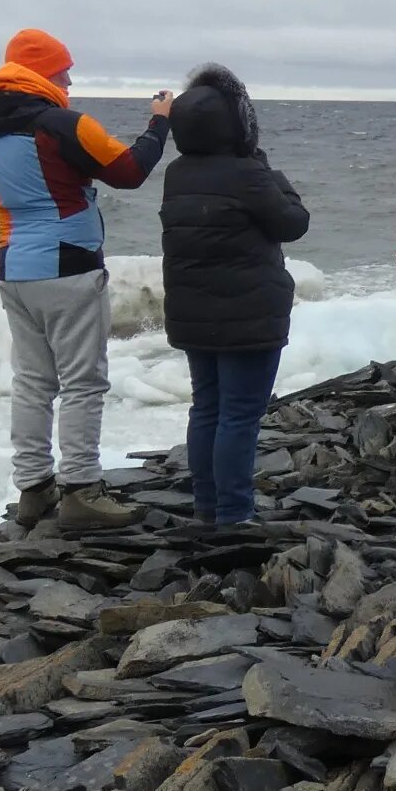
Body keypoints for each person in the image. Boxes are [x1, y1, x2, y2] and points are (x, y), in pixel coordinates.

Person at [0, 28, 172, 531]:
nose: (70, 79)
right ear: (44, 73)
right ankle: (82, 490)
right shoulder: (65, 125)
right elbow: (129, 170)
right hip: (71, 267)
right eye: (64, 70)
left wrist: (6, 255)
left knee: (32, 381)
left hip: (17, 270)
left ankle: (34, 489)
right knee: (83, 381)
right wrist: (159, 123)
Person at [159, 63, 310, 530]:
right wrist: (271, 173)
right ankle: (234, 514)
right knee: (240, 416)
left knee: (207, 407)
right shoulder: (249, 174)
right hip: (249, 316)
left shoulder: (176, 173)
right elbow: (294, 222)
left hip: (192, 313)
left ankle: (208, 507)